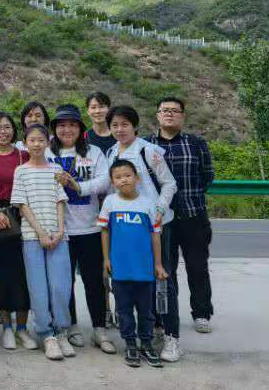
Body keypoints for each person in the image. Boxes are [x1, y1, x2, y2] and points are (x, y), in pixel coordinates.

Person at [104, 105, 179, 361]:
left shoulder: (149, 150)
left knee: (162, 279)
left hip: (155, 224)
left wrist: (159, 208)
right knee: (135, 283)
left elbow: (169, 183)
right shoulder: (111, 152)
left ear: (135, 126)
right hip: (126, 227)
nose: (119, 129)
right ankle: (150, 332)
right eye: (114, 125)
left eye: (124, 124)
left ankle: (171, 336)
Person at [46, 105, 115, 354]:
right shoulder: (47, 153)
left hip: (89, 228)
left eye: (72, 125)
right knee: (64, 282)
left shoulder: (94, 152)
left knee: (94, 281)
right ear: (55, 129)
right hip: (60, 230)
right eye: (62, 125)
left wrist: (77, 186)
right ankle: (72, 325)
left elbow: (105, 181)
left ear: (80, 128)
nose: (67, 129)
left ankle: (99, 329)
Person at [146, 97, 215, 335]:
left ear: (183, 116)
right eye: (164, 110)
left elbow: (207, 175)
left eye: (175, 111)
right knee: (165, 269)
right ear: (157, 115)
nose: (169, 114)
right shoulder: (146, 144)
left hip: (193, 215)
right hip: (160, 218)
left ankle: (202, 313)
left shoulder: (196, 143)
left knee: (197, 267)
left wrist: (189, 197)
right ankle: (165, 315)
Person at [10, 124, 73, 361]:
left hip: (58, 236)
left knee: (60, 286)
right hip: (32, 237)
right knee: (38, 288)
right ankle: (47, 334)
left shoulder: (56, 168)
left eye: (40, 140)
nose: (36, 144)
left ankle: (62, 331)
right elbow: (22, 205)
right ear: (25, 143)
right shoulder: (21, 171)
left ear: (48, 142)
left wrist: (60, 230)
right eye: (32, 140)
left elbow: (60, 200)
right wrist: (40, 234)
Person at [99, 159, 168, 368]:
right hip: (120, 268)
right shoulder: (110, 202)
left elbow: (155, 235)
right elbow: (105, 232)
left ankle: (146, 343)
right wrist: (107, 259)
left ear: (137, 178)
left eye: (128, 175)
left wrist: (158, 264)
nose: (124, 180)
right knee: (124, 310)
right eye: (118, 177)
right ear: (112, 182)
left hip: (144, 268)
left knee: (146, 311)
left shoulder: (148, 203)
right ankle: (130, 343)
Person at [0, 112, 36, 350]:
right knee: (0, 274)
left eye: (7, 127)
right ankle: (7, 327)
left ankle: (22, 328)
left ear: (14, 129)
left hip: (22, 215)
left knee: (22, 273)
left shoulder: (23, 154)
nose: (3, 132)